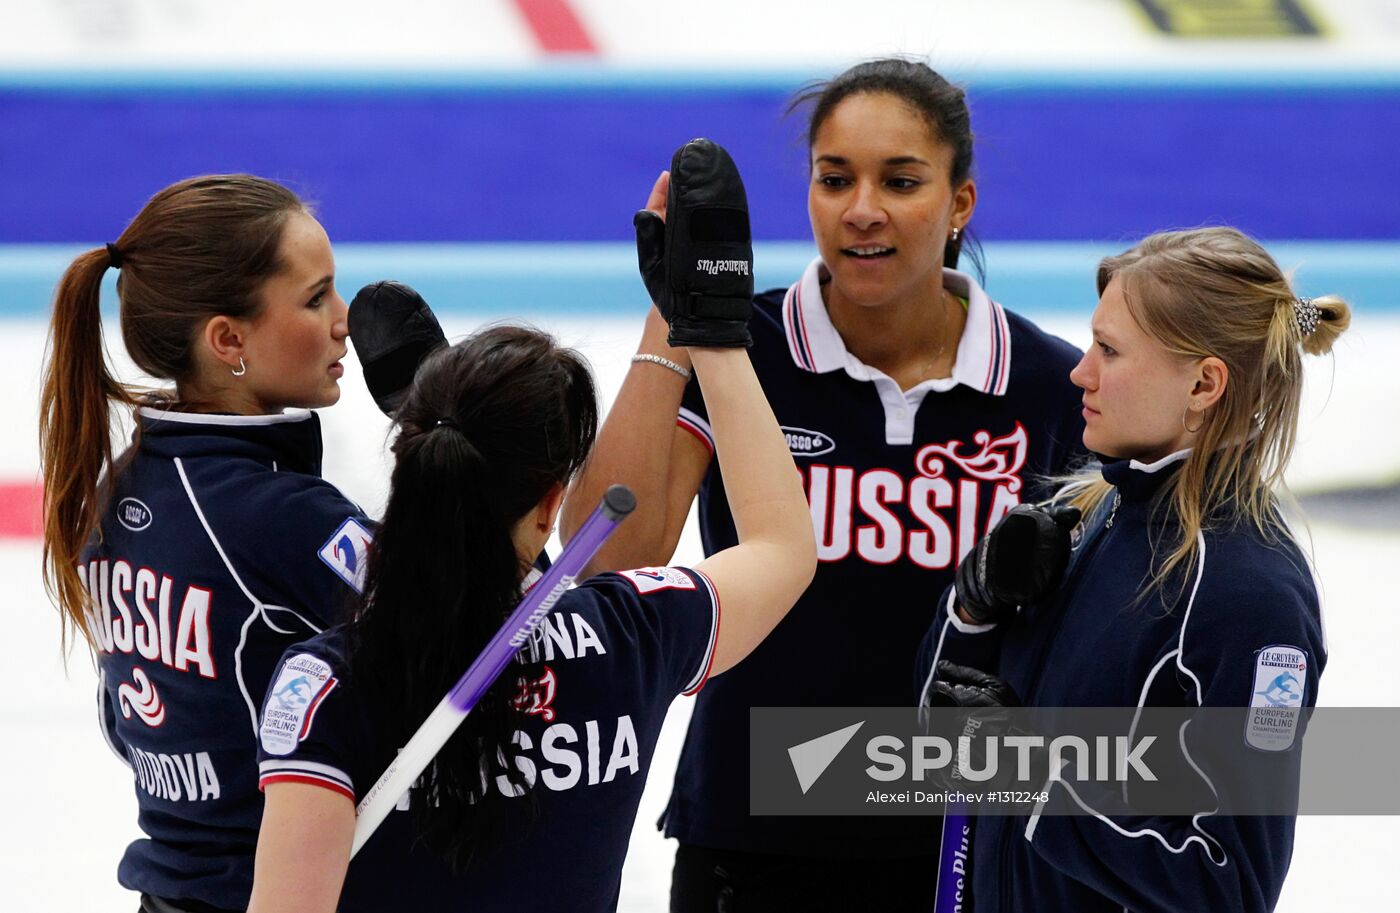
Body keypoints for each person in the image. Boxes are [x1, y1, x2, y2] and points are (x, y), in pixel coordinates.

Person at [561, 58, 1087, 908]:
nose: (862, 209)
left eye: (901, 181)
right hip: (754, 833)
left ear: (960, 204)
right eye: (834, 179)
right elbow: (603, 562)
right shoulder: (743, 346)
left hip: (966, 844)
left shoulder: (1048, 387)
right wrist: (676, 323)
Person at [245, 316, 815, 910]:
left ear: (409, 470)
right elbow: (782, 547)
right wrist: (711, 333)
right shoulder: (631, 632)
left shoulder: (323, 685)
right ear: (549, 509)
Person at [918, 226, 1350, 912]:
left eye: (1109, 350)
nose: (1079, 372)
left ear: (1204, 383)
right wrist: (972, 614)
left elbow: (1229, 884)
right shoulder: (1084, 518)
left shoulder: (1250, 596)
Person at [39, 174, 370, 913]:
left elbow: (126, 726)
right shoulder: (283, 517)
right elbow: (497, 627)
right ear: (229, 340)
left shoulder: (115, 490)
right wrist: (441, 422)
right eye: (316, 298)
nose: (344, 320)